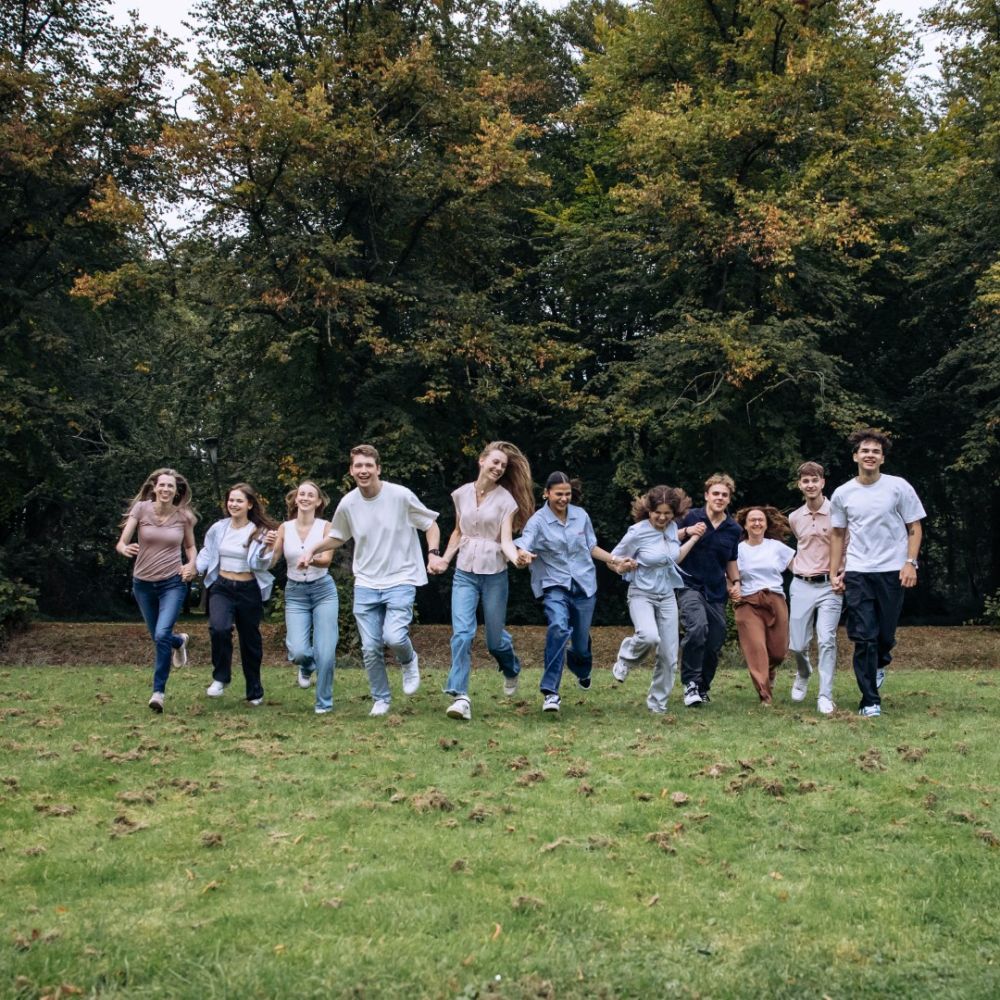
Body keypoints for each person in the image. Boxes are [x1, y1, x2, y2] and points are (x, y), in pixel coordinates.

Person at [302, 445, 445, 716]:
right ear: (351, 470)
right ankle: (381, 698)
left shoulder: (400, 496)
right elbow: (338, 536)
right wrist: (312, 549)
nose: (363, 470)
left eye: (369, 465)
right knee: (369, 647)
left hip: (401, 577)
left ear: (378, 469)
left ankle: (408, 659)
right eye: (358, 466)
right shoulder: (348, 503)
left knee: (394, 636)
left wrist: (433, 554)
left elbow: (430, 524)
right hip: (366, 582)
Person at [430, 442, 535, 721]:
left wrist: (517, 558)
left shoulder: (506, 501)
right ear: (482, 461)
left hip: (494, 576)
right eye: (495, 462)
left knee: (494, 641)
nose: (498, 468)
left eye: (503, 465)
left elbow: (506, 541)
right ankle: (460, 696)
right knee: (462, 634)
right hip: (464, 573)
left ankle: (511, 667)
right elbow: (458, 532)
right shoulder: (461, 494)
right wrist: (444, 559)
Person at [829, 429, 925, 718]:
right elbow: (837, 534)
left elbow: (914, 527)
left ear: (882, 458)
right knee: (864, 636)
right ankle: (870, 699)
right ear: (855, 456)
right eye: (865, 451)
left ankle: (881, 662)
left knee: (885, 635)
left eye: (875, 451)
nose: (870, 455)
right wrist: (834, 571)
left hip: (892, 570)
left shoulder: (898, 487)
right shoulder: (843, 493)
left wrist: (910, 562)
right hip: (858, 571)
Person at [514, 473, 624, 714]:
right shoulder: (538, 521)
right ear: (547, 493)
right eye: (558, 494)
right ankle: (550, 692)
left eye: (567, 494)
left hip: (584, 585)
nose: (564, 499)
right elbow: (523, 544)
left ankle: (582, 668)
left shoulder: (581, 516)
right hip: (554, 585)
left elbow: (591, 546)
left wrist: (615, 560)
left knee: (581, 646)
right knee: (558, 628)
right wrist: (522, 555)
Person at [609, 486, 703, 713]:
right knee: (649, 637)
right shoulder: (636, 532)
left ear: (674, 513)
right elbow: (612, 559)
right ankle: (625, 659)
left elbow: (673, 558)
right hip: (641, 593)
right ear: (648, 511)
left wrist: (693, 538)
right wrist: (622, 566)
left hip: (667, 595)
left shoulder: (672, 528)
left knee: (669, 656)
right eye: (657, 513)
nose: (662, 518)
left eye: (667, 513)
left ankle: (658, 706)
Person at [251, 481, 339, 714]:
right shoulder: (284, 528)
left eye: (311, 495)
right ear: (296, 499)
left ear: (318, 501)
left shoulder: (326, 527)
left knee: (326, 652)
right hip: (296, 593)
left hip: (323, 591)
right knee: (298, 650)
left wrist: (310, 559)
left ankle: (323, 703)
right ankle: (307, 665)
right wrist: (266, 548)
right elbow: (272, 561)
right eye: (302, 494)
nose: (305, 498)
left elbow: (327, 560)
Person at [115, 468, 198, 712]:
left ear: (176, 491)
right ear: (154, 487)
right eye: (162, 485)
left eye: (170, 486)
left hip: (173, 582)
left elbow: (190, 547)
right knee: (159, 636)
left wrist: (191, 564)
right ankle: (179, 641)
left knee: (161, 635)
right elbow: (122, 541)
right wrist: (124, 548)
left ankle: (158, 692)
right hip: (143, 584)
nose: (165, 489)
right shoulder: (141, 509)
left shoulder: (183, 516)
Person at [195, 483, 277, 707]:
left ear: (249, 504)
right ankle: (221, 677)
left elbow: (262, 565)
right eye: (231, 500)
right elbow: (207, 552)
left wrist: (267, 548)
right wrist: (195, 569)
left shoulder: (259, 531)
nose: (233, 504)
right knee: (219, 628)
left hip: (248, 589)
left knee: (250, 640)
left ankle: (255, 690)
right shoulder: (218, 528)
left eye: (239, 501)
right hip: (221, 587)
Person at [675, 473, 742, 706]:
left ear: (729, 499)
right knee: (697, 628)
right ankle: (690, 684)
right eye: (716, 493)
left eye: (724, 495)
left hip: (716, 591)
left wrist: (736, 583)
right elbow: (666, 539)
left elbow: (731, 560)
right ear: (706, 495)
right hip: (689, 585)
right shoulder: (690, 517)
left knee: (715, 640)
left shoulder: (733, 528)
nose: (720, 498)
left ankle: (702, 687)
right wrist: (687, 531)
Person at [788, 462, 844, 715]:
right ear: (799, 485)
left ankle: (825, 695)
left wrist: (843, 572)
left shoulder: (837, 513)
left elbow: (848, 546)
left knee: (826, 640)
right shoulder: (795, 517)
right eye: (805, 481)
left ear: (822, 483)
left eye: (815, 480)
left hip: (830, 585)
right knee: (797, 644)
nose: (810, 485)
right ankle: (803, 672)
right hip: (801, 584)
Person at [732, 506, 796, 705]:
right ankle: (765, 696)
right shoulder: (737, 550)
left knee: (778, 652)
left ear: (766, 524)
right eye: (752, 520)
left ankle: (769, 670)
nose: (757, 523)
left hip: (775, 599)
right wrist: (733, 589)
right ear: (745, 525)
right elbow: (728, 574)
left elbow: (798, 568)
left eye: (761, 520)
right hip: (748, 602)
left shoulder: (776, 547)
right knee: (756, 648)